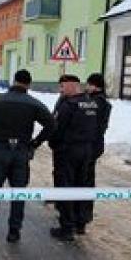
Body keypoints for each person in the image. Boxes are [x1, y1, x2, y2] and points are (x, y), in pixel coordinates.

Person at [0, 70, 55, 242]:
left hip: (0, 150)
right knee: (18, 193)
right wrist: (35, 143)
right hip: (21, 152)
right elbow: (51, 124)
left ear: (14, 81)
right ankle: (14, 232)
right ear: (28, 84)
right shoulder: (33, 103)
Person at [49, 75, 99, 242]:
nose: (61, 91)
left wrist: (53, 144)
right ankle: (80, 223)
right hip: (86, 151)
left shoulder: (68, 105)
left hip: (68, 151)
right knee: (82, 186)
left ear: (71, 86)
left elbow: (57, 129)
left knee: (65, 187)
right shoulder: (91, 103)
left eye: (62, 87)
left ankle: (66, 227)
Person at [81, 73, 112, 235]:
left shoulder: (93, 103)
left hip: (89, 145)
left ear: (95, 85)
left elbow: (90, 125)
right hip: (96, 145)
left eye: (88, 84)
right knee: (87, 179)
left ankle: (82, 217)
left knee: (83, 180)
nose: (86, 87)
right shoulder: (103, 102)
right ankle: (84, 215)